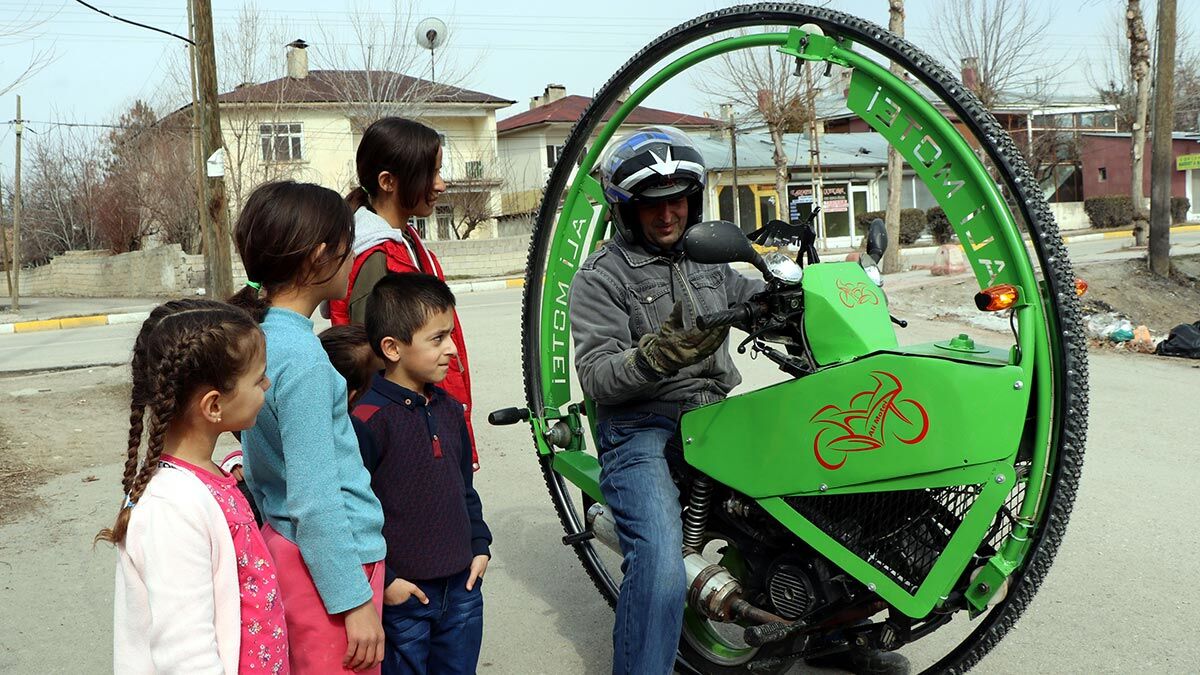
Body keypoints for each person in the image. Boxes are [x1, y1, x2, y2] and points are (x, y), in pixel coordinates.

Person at [570, 126, 909, 675]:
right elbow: (597, 375)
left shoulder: (707, 257)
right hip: (641, 428)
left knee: (827, 485)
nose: (668, 215)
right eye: (653, 204)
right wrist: (655, 357)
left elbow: (756, 296)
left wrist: (812, 293)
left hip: (716, 414)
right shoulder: (600, 277)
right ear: (625, 210)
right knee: (658, 562)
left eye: (678, 200)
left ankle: (835, 638)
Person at [230, 180, 387, 674]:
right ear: (320, 257)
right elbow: (316, 499)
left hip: (290, 547)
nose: (353, 256)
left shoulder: (264, 340)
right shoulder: (305, 361)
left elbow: (261, 467)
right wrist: (353, 601)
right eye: (347, 246)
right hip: (332, 568)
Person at [103, 299, 287, 673]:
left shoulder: (203, 478)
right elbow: (185, 654)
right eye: (258, 378)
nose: (266, 384)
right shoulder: (171, 507)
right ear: (214, 406)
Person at [352, 273, 491, 675]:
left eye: (450, 334)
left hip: (463, 590)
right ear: (393, 348)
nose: (451, 348)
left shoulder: (449, 409)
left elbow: (464, 488)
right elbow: (353, 514)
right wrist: (388, 581)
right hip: (405, 601)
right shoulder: (367, 420)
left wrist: (479, 544)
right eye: (437, 338)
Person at [329, 117, 479, 471]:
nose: (441, 185)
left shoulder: (408, 243)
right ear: (387, 182)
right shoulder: (376, 257)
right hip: (409, 442)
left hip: (432, 426)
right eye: (431, 174)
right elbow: (374, 367)